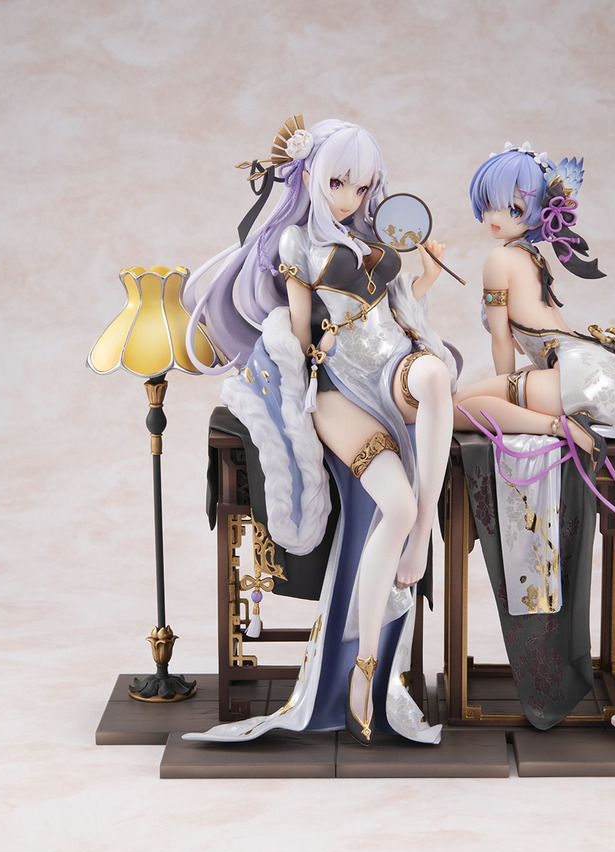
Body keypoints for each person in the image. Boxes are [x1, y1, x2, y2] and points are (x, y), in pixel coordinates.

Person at [183, 116, 458, 746]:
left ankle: (421, 538)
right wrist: (314, 349)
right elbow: (301, 329)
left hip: (393, 367)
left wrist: (425, 279)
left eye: (361, 187)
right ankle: (365, 667)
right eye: (338, 183)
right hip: (339, 387)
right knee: (394, 503)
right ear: (310, 176)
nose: (349, 198)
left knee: (436, 375)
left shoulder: (375, 236)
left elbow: (399, 310)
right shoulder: (297, 244)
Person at [453, 142, 615, 467]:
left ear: (538, 214)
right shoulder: (534, 257)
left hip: (575, 376)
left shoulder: (499, 258)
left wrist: (507, 399)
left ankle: (563, 428)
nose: (494, 217)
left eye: (513, 209)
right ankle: (563, 423)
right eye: (489, 204)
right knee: (482, 398)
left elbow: (502, 338)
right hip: (598, 371)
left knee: (457, 408)